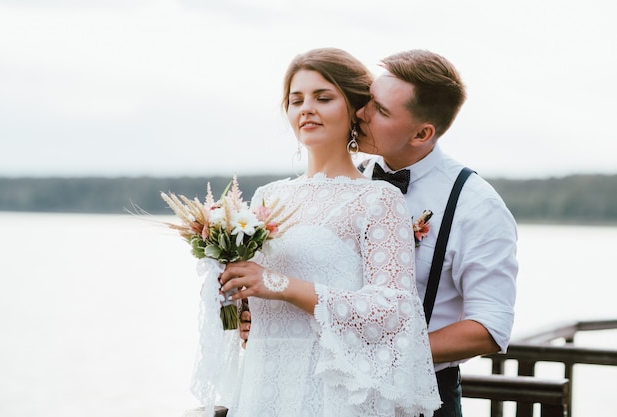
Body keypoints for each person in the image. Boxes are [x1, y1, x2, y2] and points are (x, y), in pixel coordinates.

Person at [214, 47, 441, 417]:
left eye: (323, 97)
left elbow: (394, 310)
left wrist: (277, 284)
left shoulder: (379, 199)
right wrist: (240, 308)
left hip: (335, 392)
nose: (306, 108)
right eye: (295, 99)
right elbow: (249, 300)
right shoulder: (267, 197)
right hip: (267, 385)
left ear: (354, 108)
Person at [355, 49, 518, 417]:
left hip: (423, 400)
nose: (361, 113)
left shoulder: (476, 205)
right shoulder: (349, 178)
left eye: (380, 110)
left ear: (422, 133)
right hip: (332, 394)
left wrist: (387, 353)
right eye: (368, 101)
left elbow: (489, 327)